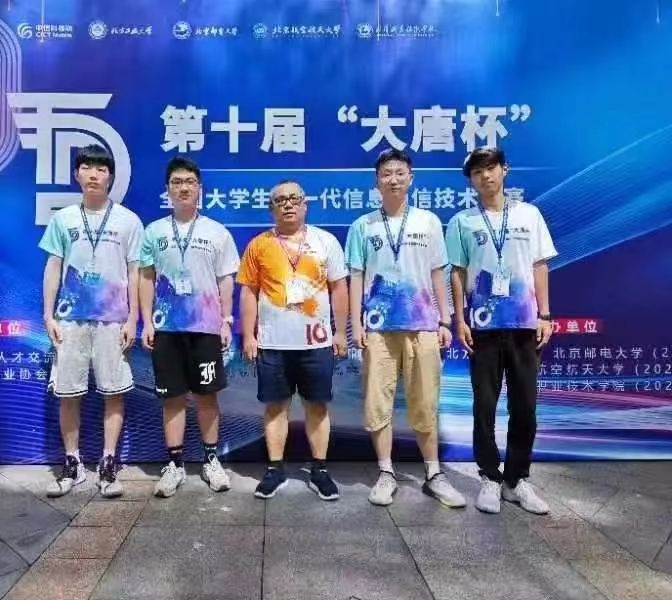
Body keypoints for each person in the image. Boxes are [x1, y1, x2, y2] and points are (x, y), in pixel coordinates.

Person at [345, 148, 466, 508]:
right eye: (386, 174)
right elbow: (356, 277)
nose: (393, 179)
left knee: (425, 401)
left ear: (411, 178)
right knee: (377, 402)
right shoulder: (363, 225)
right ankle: (386, 472)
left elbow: (438, 273)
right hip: (378, 329)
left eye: (400, 173)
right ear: (376, 181)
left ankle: (434, 473)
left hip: (423, 325)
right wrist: (356, 324)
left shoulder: (428, 222)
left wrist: (444, 319)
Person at [446, 146, 557, 515]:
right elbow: (457, 272)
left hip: (525, 325)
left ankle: (516, 480)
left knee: (525, 405)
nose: (485, 176)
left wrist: (545, 314)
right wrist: (460, 319)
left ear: (504, 170)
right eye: (477, 172)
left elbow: (539, 265)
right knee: (484, 406)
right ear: (471, 180)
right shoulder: (462, 221)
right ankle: (490, 478)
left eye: (491, 168)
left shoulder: (529, 214)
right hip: (483, 328)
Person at [41, 144, 143, 499]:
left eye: (101, 169)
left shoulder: (128, 220)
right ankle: (72, 463)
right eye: (87, 168)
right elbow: (53, 266)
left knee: (114, 392)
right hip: (69, 320)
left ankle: (108, 461)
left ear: (110, 176)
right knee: (68, 393)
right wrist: (48, 314)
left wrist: (133, 318)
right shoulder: (64, 219)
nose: (94, 174)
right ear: (77, 174)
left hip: (113, 320)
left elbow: (135, 272)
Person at [237, 180, 349, 501]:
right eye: (280, 200)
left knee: (317, 406)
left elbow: (339, 288)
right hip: (273, 343)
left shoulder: (325, 241)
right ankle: (275, 469)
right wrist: (249, 335)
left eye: (294, 199)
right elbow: (249, 292)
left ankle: (320, 470)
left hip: (316, 343)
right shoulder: (258, 245)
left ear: (305, 204)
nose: (287, 204)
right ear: (271, 208)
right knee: (276, 407)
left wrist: (340, 332)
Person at [139, 156, 239, 498]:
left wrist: (226, 320)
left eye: (190, 182)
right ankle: (175, 464)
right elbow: (146, 277)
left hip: (205, 329)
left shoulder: (216, 232)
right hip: (166, 329)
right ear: (167, 189)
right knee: (172, 398)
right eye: (177, 182)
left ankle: (211, 460)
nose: (183, 187)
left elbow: (226, 279)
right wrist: (146, 321)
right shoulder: (154, 232)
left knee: (207, 396)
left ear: (200, 189)